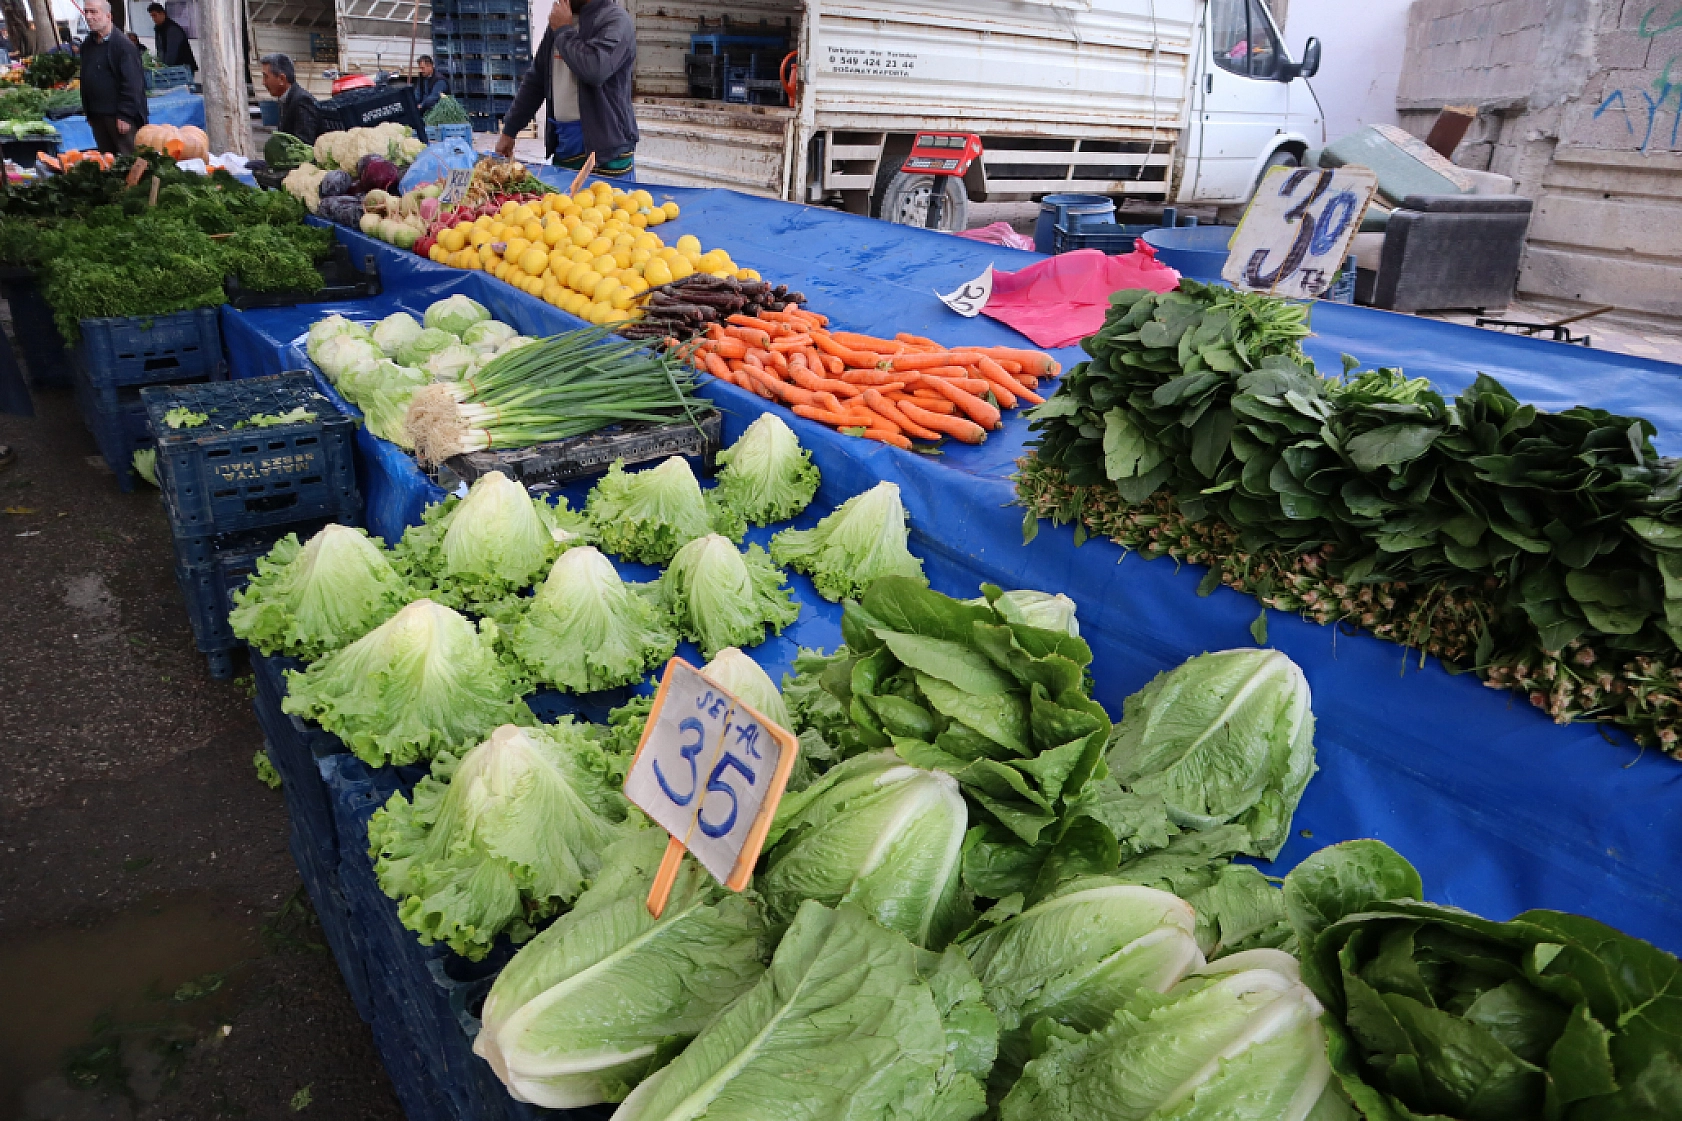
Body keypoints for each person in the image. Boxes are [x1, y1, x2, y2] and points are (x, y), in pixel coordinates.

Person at [496, 0, 637, 178]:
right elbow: (536, 81)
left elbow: (595, 70)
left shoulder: (615, 21)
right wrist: (510, 130)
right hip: (566, 144)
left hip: (606, 151)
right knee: (565, 204)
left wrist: (563, 31)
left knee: (608, 203)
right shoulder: (558, 22)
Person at [80, 0, 147, 155]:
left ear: (108, 16)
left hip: (119, 118)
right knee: (108, 163)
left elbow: (133, 83)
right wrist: (89, 112)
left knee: (128, 162)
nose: (89, 17)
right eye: (86, 12)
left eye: (93, 12)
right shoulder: (88, 45)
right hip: (98, 115)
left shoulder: (123, 46)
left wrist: (125, 114)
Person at [261, 53, 324, 144]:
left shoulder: (302, 101)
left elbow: (303, 146)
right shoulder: (285, 99)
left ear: (282, 79)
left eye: (266, 77)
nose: (263, 82)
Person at [147, 2, 196, 72]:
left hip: (182, 69)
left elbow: (171, 53)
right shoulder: (159, 28)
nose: (153, 19)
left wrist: (163, 67)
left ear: (162, 14)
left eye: (155, 15)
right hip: (173, 68)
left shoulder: (172, 29)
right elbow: (160, 50)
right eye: (152, 16)